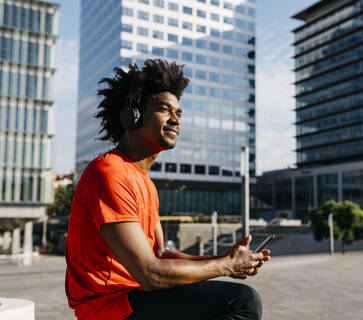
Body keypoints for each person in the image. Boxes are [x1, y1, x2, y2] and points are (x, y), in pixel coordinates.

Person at [65, 59, 271, 320]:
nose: (176, 120)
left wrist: (226, 259)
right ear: (132, 113)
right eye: (165, 109)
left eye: (179, 113)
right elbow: (151, 274)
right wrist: (226, 265)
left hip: (137, 297)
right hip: (110, 308)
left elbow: (161, 254)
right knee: (242, 302)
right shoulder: (109, 173)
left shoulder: (145, 182)